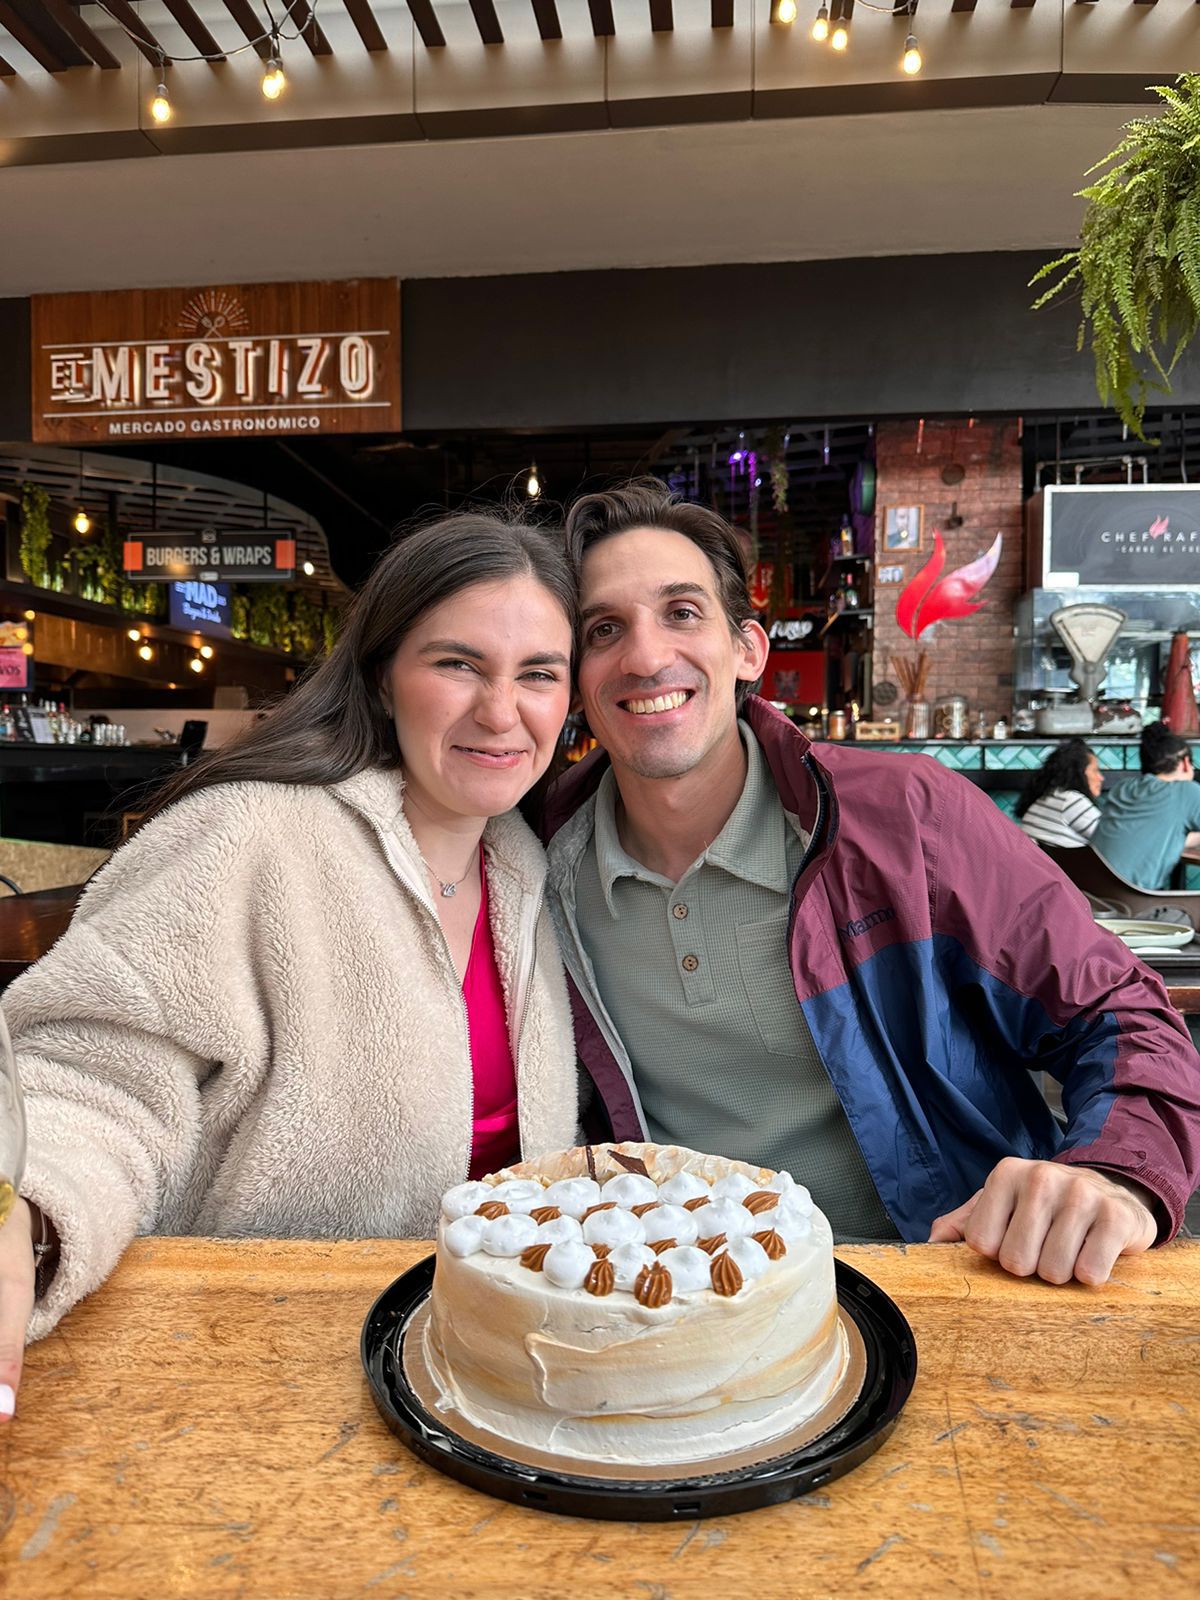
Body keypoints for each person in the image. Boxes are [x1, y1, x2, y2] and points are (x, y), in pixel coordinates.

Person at [540, 480, 1200, 1289]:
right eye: (604, 629)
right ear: (574, 679)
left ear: (748, 650)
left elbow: (1121, 1013)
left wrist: (1112, 1175)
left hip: (936, 1282)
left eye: (681, 612)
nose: (645, 658)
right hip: (678, 1308)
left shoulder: (907, 818)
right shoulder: (537, 868)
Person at [0, 510, 580, 1420]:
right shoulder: (248, 834)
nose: (502, 711)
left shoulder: (526, 867)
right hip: (244, 1381)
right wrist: (27, 1224)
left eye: (538, 673)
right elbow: (92, 1083)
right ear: (382, 677)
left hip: (480, 1384)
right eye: (458, 664)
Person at [1090, 722, 1200, 890]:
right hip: (1133, 900)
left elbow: (1150, 835)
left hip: (1090, 894)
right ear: (1185, 763)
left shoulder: (1124, 788)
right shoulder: (1185, 791)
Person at [1014, 737, 1103, 849]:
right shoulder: (1071, 801)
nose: (1101, 778)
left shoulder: (1048, 798)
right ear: (1078, 774)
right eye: (1095, 770)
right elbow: (1113, 840)